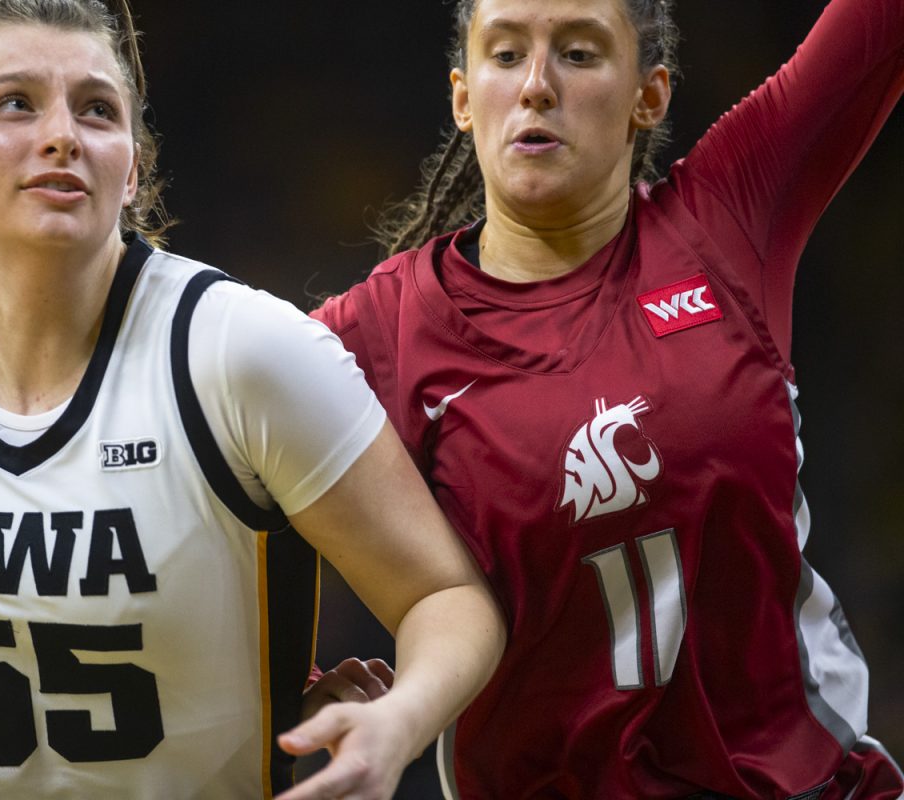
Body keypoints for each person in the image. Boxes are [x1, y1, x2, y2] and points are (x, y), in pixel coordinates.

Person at [0, 1, 509, 798]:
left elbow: (448, 596)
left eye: (96, 109)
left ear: (130, 169)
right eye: (15, 103)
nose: (63, 135)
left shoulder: (241, 353)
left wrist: (397, 722)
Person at [312, 0, 904, 796]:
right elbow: (197, 455)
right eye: (505, 54)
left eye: (581, 55)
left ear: (648, 96)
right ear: (461, 97)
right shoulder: (377, 332)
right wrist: (290, 677)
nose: (536, 86)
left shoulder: (723, 223)